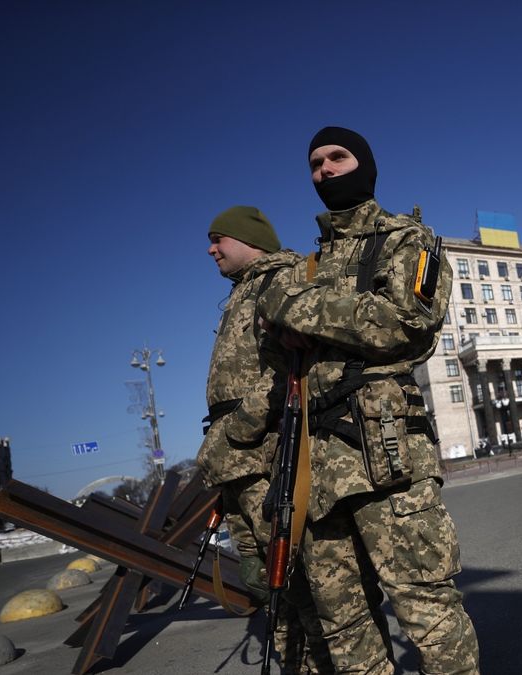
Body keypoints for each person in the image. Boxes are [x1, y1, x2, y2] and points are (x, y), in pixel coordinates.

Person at [256, 126, 479, 674]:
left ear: (366, 165)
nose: (324, 170)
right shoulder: (305, 268)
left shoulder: (408, 240)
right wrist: (282, 322)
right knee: (345, 630)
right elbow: (285, 353)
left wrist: (299, 310)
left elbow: (406, 322)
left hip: (387, 458)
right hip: (314, 472)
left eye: (337, 157)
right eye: (314, 164)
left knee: (429, 615)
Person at [195, 206, 328, 669]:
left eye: (219, 239)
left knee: (292, 580)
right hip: (235, 457)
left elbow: (282, 371)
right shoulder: (241, 292)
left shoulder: (277, 279)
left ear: (249, 238)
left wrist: (236, 430)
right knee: (264, 582)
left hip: (260, 454)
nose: (210, 249)